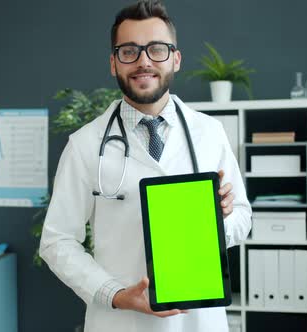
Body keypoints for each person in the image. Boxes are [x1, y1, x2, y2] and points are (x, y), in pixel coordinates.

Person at [39, 1, 252, 331]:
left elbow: (242, 217)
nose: (143, 62)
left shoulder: (209, 132)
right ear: (113, 63)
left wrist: (217, 221)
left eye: (157, 50)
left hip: (198, 321)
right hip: (120, 321)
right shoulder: (85, 144)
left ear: (176, 59)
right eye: (129, 51)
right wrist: (117, 294)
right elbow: (56, 241)